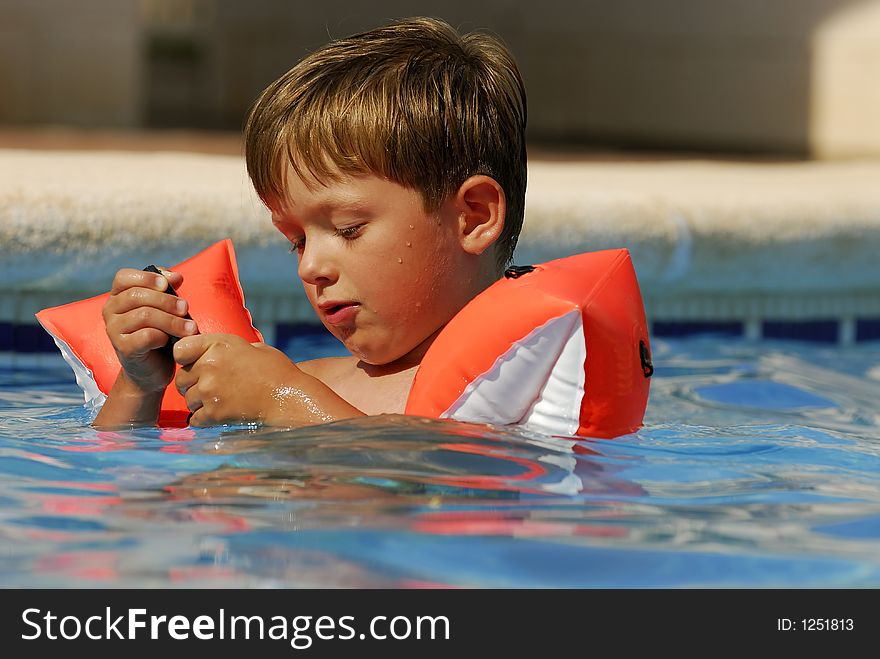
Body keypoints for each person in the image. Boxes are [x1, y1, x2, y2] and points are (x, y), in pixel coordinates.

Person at [93, 16, 527, 429]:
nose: (309, 267)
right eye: (297, 241)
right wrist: (140, 385)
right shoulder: (307, 379)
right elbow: (119, 479)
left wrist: (285, 400)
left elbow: (435, 482)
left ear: (473, 217)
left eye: (348, 229)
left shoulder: (520, 386)